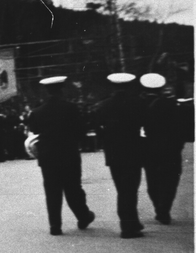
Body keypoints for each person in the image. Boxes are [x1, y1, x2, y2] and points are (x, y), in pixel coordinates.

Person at [26, 76, 96, 236]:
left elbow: (35, 131)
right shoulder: (71, 108)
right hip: (69, 154)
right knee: (73, 189)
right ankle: (83, 217)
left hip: (47, 157)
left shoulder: (37, 112)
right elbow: (81, 131)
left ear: (47, 91)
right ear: (62, 89)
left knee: (52, 191)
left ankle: (55, 226)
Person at [92, 72, 147, 238]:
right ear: (129, 85)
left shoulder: (103, 105)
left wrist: (106, 139)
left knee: (122, 188)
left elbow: (96, 127)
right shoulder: (138, 103)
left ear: (112, 86)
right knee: (130, 189)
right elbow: (147, 124)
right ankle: (128, 227)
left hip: (113, 151)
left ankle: (132, 222)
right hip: (133, 150)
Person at [140, 72, 186, 225]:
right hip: (171, 149)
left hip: (149, 149)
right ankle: (164, 209)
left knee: (153, 180)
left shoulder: (141, 104)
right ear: (161, 88)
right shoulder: (172, 104)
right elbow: (181, 128)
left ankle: (158, 206)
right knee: (170, 180)